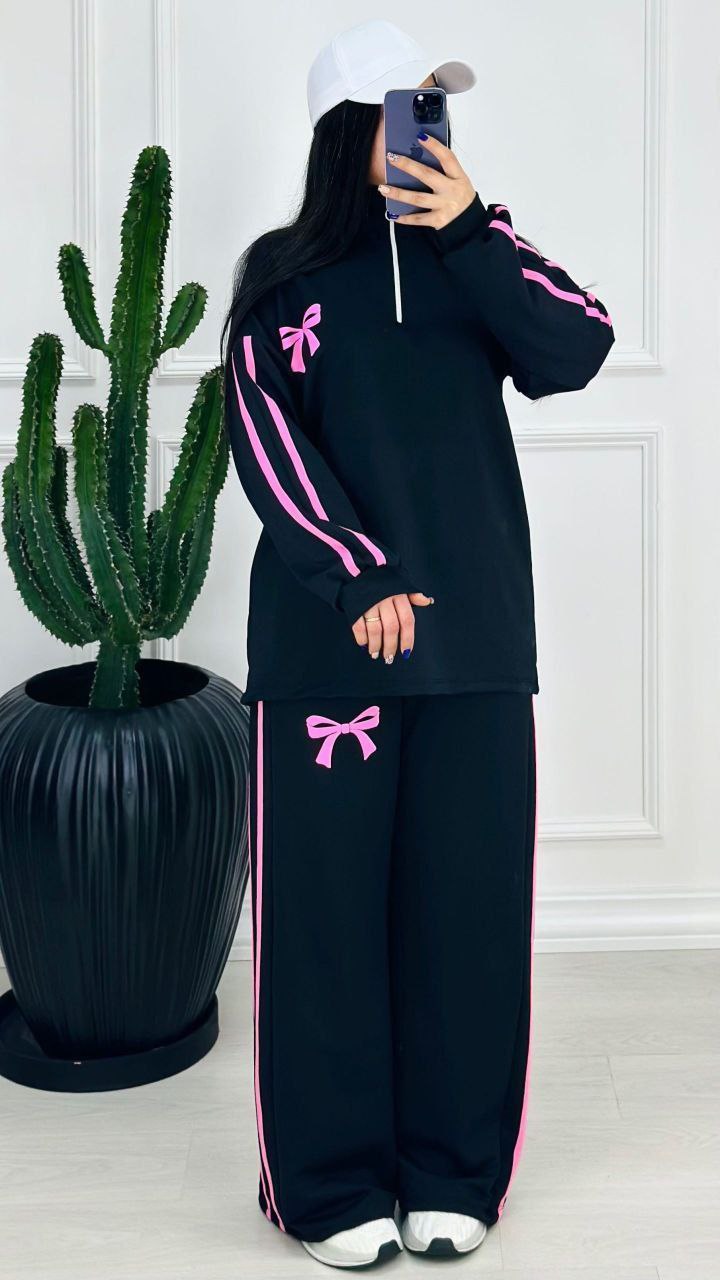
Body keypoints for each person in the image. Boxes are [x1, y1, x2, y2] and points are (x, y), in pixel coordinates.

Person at [221, 17, 614, 1270]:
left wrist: (472, 228)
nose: (427, 129)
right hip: (327, 651)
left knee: (468, 917)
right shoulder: (279, 278)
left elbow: (580, 346)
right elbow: (265, 442)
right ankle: (330, 1180)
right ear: (351, 130)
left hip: (476, 646)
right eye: (405, 108)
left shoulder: (477, 256)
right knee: (326, 925)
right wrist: (358, 571)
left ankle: (452, 1171)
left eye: (436, 109)